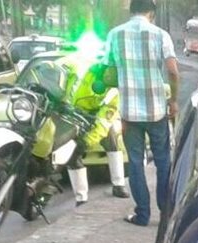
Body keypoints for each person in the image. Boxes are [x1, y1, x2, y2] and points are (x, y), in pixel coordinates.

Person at [106, 0, 180, 226]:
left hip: (129, 113)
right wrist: (173, 101)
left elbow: (109, 74)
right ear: (151, 13)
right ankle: (166, 214)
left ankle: (142, 214)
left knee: (136, 163)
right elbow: (173, 72)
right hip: (157, 110)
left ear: (131, 11)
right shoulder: (160, 35)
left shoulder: (115, 35)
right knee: (163, 162)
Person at [27, 57, 130, 207]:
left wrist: (86, 141)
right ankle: (81, 198)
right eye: (110, 72)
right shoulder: (79, 67)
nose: (112, 78)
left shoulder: (114, 93)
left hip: (93, 118)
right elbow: (54, 73)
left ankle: (118, 184)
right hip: (67, 113)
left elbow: (103, 123)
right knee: (71, 153)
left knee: (111, 139)